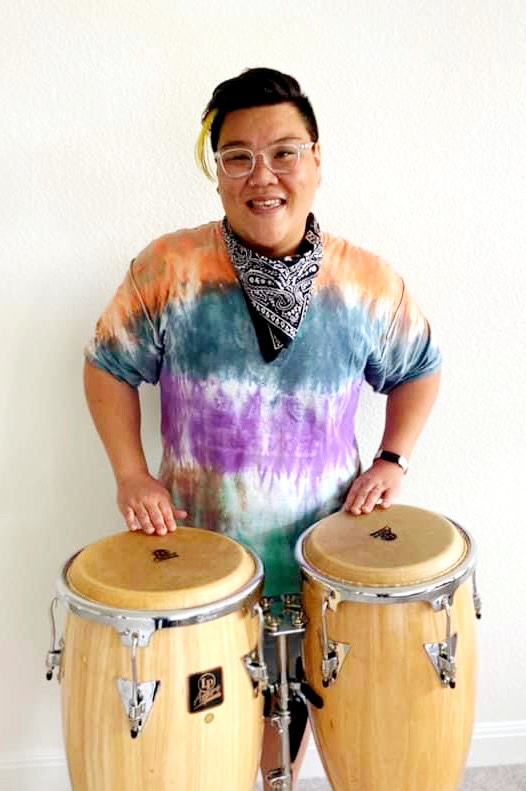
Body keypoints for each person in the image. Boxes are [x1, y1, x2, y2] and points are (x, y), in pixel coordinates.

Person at [84, 67, 441, 789]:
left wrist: (392, 458)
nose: (263, 175)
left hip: (322, 563)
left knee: (289, 726)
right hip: (197, 564)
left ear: (317, 160)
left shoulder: (366, 282)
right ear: (218, 173)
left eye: (284, 152)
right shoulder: (170, 268)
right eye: (238, 156)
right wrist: (131, 473)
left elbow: (420, 368)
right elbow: (108, 366)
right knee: (202, 740)